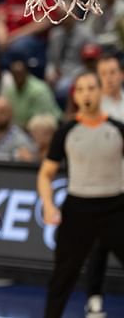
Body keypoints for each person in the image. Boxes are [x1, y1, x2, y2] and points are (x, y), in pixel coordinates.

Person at [37, 71, 124, 318]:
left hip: (116, 207)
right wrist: (49, 205)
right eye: (81, 89)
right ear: (75, 95)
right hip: (78, 209)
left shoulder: (118, 129)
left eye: (91, 88)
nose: (87, 93)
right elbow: (46, 174)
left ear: (100, 92)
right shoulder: (66, 131)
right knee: (63, 277)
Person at [83, 55, 124, 317]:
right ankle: (94, 298)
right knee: (99, 245)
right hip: (101, 186)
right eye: (104, 73)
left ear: (120, 74)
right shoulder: (93, 107)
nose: (109, 77)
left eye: (113, 72)